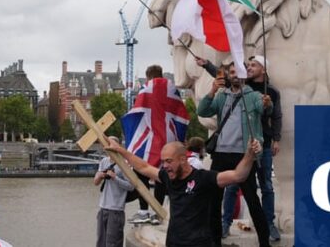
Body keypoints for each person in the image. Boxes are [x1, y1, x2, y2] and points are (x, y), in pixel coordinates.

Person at [105, 138, 261, 247]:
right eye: (163, 162)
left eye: (169, 161)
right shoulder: (168, 177)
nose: (165, 166)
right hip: (173, 243)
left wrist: (249, 154)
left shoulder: (203, 179)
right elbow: (143, 167)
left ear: (182, 159)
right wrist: (120, 150)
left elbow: (238, 175)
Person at [197, 61, 271, 247]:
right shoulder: (221, 96)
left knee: (253, 201)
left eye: (238, 71)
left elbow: (265, 108)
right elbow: (202, 111)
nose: (235, 75)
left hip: (243, 156)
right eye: (232, 72)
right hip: (221, 154)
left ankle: (264, 243)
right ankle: (215, 242)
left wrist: (267, 103)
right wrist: (212, 91)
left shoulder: (254, 96)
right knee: (214, 202)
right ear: (228, 75)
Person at [220, 55, 282, 242]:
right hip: (241, 145)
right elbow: (223, 74)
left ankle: (269, 224)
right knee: (232, 185)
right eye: (249, 65)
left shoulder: (271, 91)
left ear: (263, 69)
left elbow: (276, 116)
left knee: (266, 186)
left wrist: (276, 139)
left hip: (262, 143)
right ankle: (225, 222)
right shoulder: (241, 85)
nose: (249, 68)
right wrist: (205, 64)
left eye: (254, 65)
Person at [130, 65, 170, 225]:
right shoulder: (171, 90)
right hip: (167, 141)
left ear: (148, 77)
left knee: (140, 171)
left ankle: (144, 210)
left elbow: (137, 111)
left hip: (151, 140)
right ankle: (157, 211)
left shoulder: (146, 90)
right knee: (161, 176)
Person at [94, 137, 134, 247]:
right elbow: (96, 182)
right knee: (101, 242)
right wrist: (99, 176)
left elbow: (131, 186)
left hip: (116, 209)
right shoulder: (104, 161)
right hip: (103, 207)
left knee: (113, 243)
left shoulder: (124, 164)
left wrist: (115, 177)